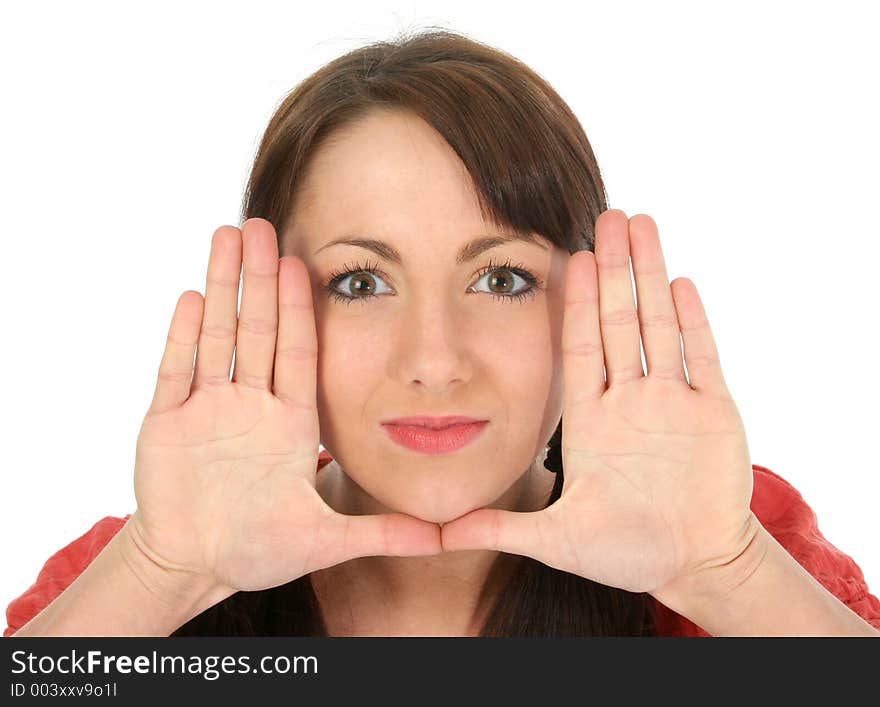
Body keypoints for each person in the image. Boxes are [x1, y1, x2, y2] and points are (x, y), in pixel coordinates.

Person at [6, 28, 880, 638]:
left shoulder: (727, 538)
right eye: (359, 282)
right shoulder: (148, 563)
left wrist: (722, 574)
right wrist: (161, 578)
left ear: (588, 299)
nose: (433, 362)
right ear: (268, 305)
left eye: (501, 279)